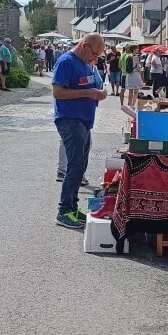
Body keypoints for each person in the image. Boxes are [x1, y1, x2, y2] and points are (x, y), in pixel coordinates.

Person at [52, 33, 107, 229]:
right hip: (70, 120)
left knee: (80, 167)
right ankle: (64, 210)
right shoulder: (66, 61)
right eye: (95, 54)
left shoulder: (86, 63)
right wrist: (88, 93)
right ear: (85, 46)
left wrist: (99, 92)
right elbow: (57, 92)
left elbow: (90, 86)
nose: (96, 59)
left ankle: (72, 207)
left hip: (83, 121)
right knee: (74, 167)